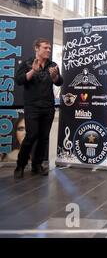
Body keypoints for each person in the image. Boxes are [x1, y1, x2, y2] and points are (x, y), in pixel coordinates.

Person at [13, 38, 63, 178]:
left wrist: (55, 77)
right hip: (32, 107)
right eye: (45, 48)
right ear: (37, 48)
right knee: (31, 135)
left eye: (49, 48)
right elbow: (18, 80)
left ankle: (37, 165)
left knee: (43, 137)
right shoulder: (27, 63)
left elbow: (60, 82)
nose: (48, 50)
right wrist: (32, 72)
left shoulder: (52, 65)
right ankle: (20, 165)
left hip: (48, 107)